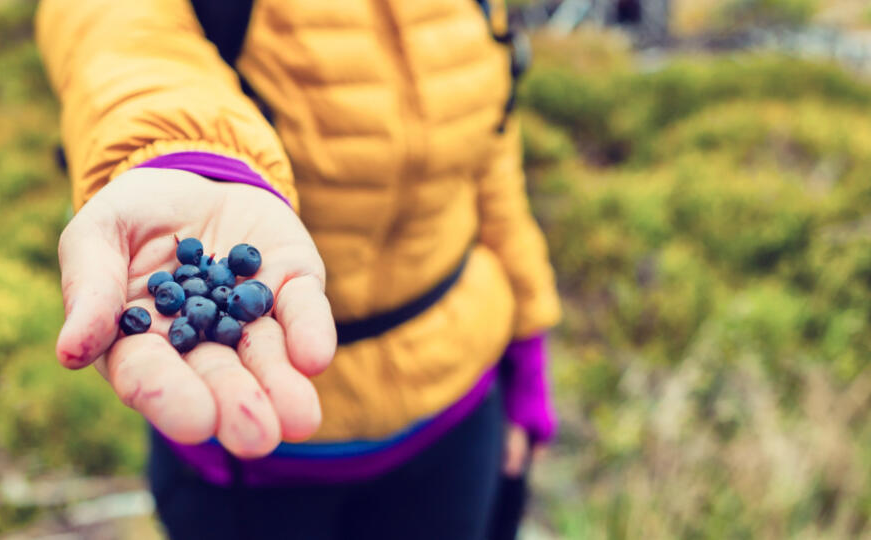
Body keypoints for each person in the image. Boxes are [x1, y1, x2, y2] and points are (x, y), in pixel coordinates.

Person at [36, 0, 562, 538]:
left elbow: (493, 176)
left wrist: (527, 355)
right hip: (254, 455)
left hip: (457, 416)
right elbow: (125, 35)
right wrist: (180, 152)